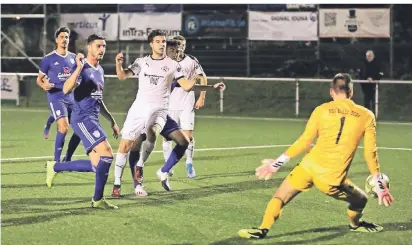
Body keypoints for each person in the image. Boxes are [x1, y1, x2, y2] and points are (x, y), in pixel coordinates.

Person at [238, 73, 394, 239]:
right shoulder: (366, 115)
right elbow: (370, 152)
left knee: (280, 196)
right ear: (351, 92)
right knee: (361, 199)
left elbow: (304, 141)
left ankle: (263, 228)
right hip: (331, 178)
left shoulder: (321, 110)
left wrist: (275, 164)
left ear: (332, 92)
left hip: (308, 166)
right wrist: (379, 183)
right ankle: (355, 225)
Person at [111, 32, 225, 197]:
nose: (162, 44)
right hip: (139, 109)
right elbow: (122, 76)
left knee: (173, 138)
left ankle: (143, 167)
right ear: (151, 44)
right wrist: (118, 64)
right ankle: (117, 184)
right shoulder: (142, 62)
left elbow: (186, 86)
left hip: (161, 110)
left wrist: (210, 88)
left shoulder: (173, 65)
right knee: (126, 146)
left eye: (164, 41)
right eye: (158, 41)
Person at [46, 34, 120, 209]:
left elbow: (98, 100)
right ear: (89, 47)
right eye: (98, 46)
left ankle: (55, 167)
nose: (102, 49)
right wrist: (78, 68)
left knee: (97, 165)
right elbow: (66, 88)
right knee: (108, 154)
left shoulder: (100, 70)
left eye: (104, 46)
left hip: (93, 118)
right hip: (82, 119)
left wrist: (112, 121)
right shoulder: (82, 67)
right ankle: (97, 200)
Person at [162, 35, 207, 179]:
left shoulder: (191, 61)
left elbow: (203, 77)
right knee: (167, 138)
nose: (180, 48)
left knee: (188, 137)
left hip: (187, 104)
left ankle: (189, 163)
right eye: (177, 45)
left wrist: (202, 97)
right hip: (169, 105)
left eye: (182, 45)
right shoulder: (167, 62)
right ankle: (168, 166)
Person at [37, 27, 81, 162]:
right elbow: (39, 79)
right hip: (55, 96)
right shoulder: (48, 59)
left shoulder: (74, 58)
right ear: (56, 40)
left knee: (80, 128)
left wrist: (76, 84)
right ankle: (56, 163)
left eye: (66, 37)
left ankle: (67, 158)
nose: (64, 40)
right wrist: (44, 85)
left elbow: (78, 78)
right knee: (63, 127)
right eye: (61, 37)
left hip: (71, 97)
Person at [360, 50, 381, 115]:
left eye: (369, 56)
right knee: (366, 102)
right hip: (365, 87)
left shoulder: (377, 64)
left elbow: (379, 74)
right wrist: (365, 79)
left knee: (374, 102)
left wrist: (373, 79)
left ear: (373, 56)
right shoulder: (363, 64)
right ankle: (366, 116)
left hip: (374, 86)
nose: (368, 57)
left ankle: (374, 116)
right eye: (367, 56)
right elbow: (360, 74)